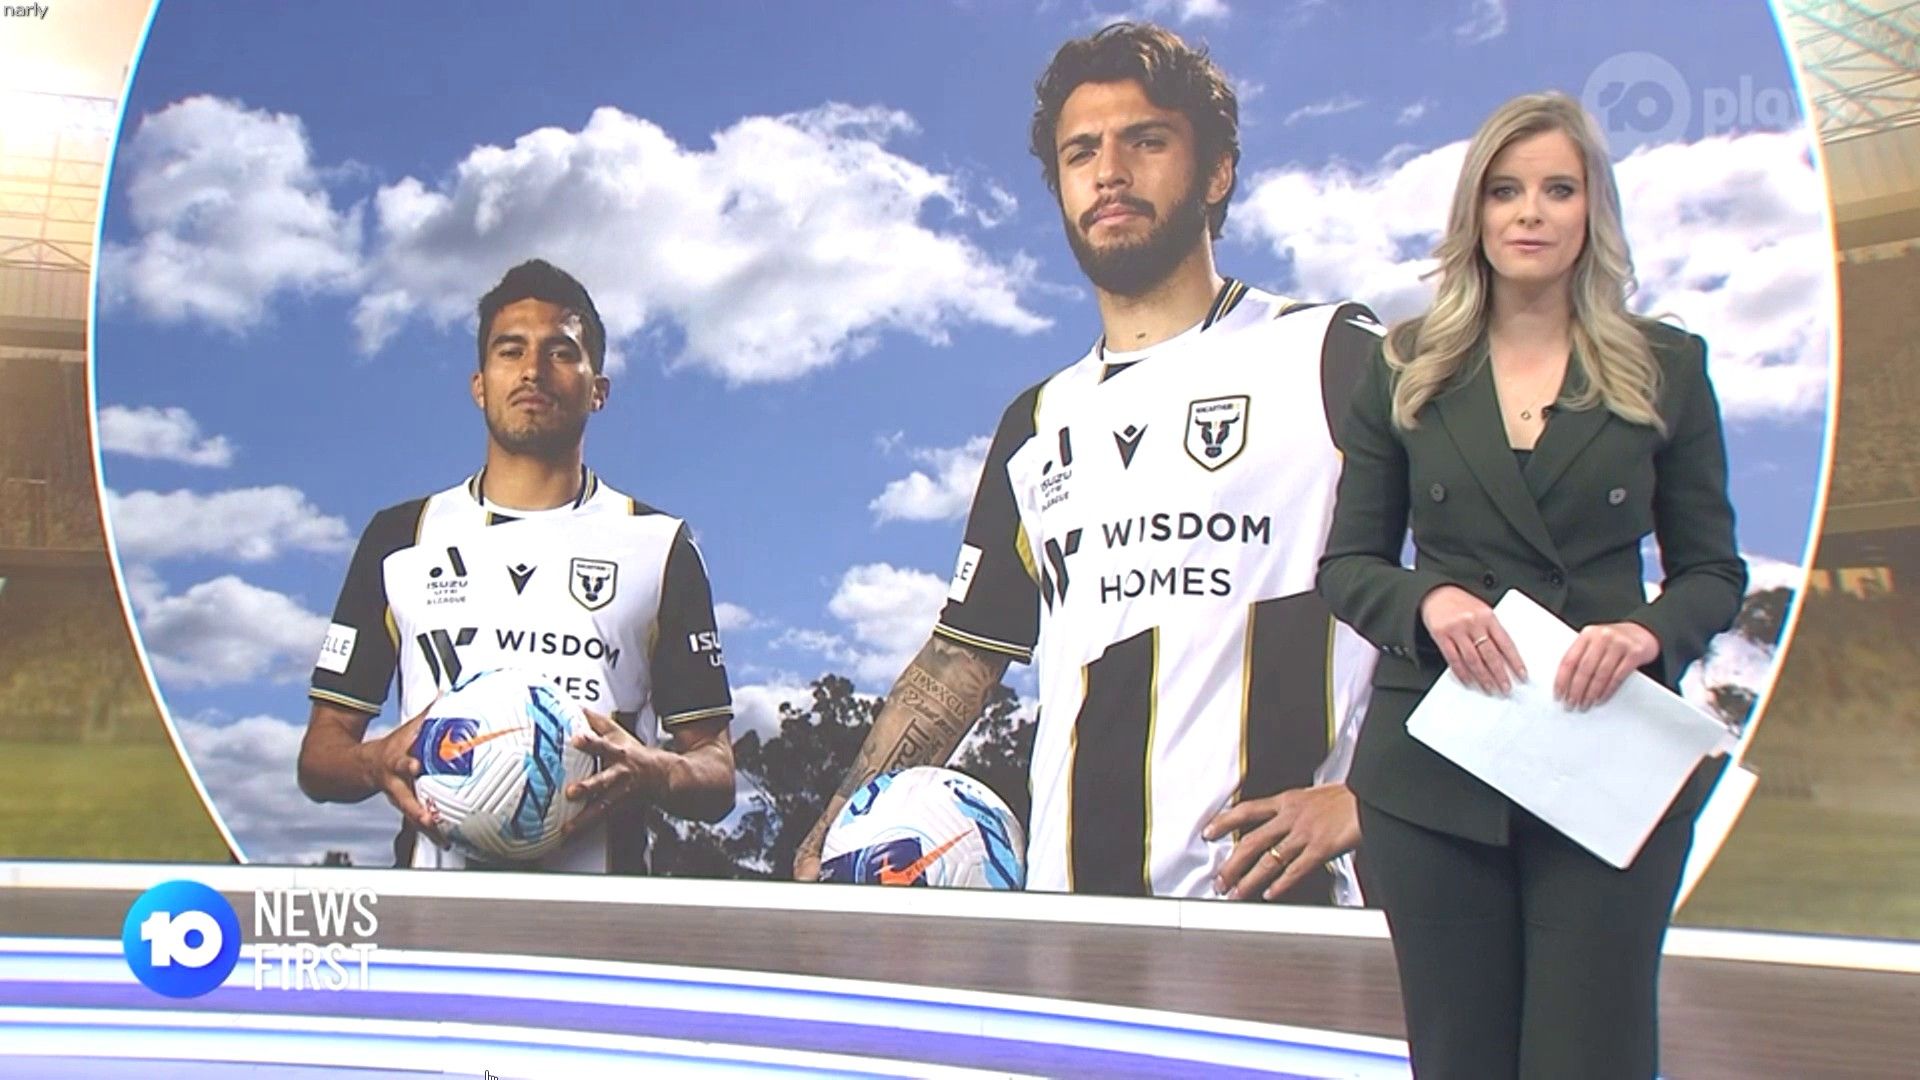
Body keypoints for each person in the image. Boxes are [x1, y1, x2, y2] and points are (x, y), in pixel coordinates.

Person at [794, 22, 1380, 902]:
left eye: (1146, 141)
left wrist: (1380, 795)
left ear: (1216, 172)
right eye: (1081, 152)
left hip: (1282, 915)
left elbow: (1487, 574)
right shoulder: (1038, 421)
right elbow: (961, 658)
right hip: (1072, 920)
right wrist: (830, 837)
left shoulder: (1331, 354)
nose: (1109, 171)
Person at [1315, 92, 1746, 1077]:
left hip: (1605, 757)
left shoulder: (1667, 367)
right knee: (1459, 1057)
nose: (1530, 214)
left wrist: (1646, 634)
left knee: (1591, 1056)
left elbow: (1714, 572)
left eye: (1559, 190)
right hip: (1436, 770)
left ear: (1594, 209)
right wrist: (1428, 602)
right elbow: (1348, 566)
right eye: (1506, 191)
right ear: (1475, 210)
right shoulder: (1405, 367)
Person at [297, 259, 736, 872]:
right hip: (435, 912)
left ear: (598, 389)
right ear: (480, 384)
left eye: (560, 352)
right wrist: (374, 761)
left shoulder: (660, 545)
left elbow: (716, 769)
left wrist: (655, 769)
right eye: (511, 351)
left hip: (602, 916)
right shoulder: (401, 539)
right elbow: (321, 755)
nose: (533, 370)